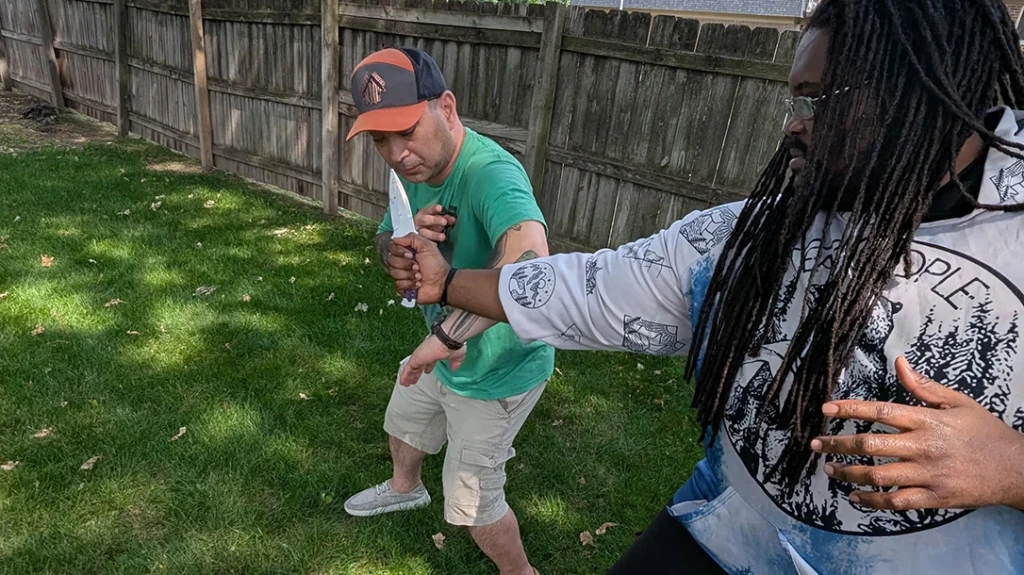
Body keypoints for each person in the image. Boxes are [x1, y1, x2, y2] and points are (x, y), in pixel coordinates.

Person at [384, 1, 1024, 573]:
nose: (793, 125)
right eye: (796, 102)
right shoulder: (749, 233)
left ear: (913, 89)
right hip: (727, 532)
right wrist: (449, 282)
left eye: (818, 100)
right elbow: (590, 288)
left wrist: (1011, 469)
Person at [341, 46, 553, 575]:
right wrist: (395, 247)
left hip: (499, 371)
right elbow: (387, 235)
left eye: (406, 131)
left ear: (448, 109)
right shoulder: (415, 168)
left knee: (472, 501)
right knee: (404, 420)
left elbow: (531, 260)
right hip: (440, 354)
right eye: (380, 139)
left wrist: (446, 338)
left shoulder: (489, 172)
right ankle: (404, 488)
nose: (396, 154)